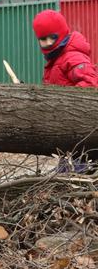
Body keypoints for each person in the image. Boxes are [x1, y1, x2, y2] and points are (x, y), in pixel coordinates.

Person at [33, 9, 96, 174]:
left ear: (61, 33)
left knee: (76, 171)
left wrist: (64, 102)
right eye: (43, 39)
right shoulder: (55, 61)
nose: (48, 43)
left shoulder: (72, 57)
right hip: (68, 131)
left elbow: (90, 85)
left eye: (52, 37)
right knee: (66, 169)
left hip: (80, 129)